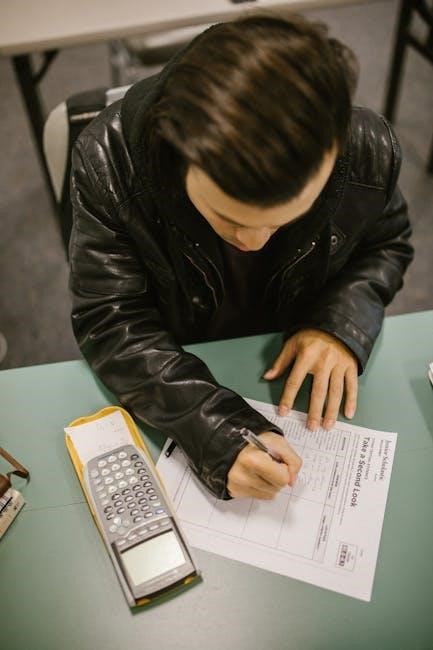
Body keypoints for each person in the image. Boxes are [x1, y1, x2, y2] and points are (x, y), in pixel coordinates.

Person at [69, 14, 413, 501]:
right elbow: (110, 318)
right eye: (227, 216)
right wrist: (214, 431)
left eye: (286, 218)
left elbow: (386, 243)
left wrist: (339, 323)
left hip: (288, 345)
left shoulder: (366, 151)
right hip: (178, 354)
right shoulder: (109, 162)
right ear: (177, 154)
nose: (254, 242)